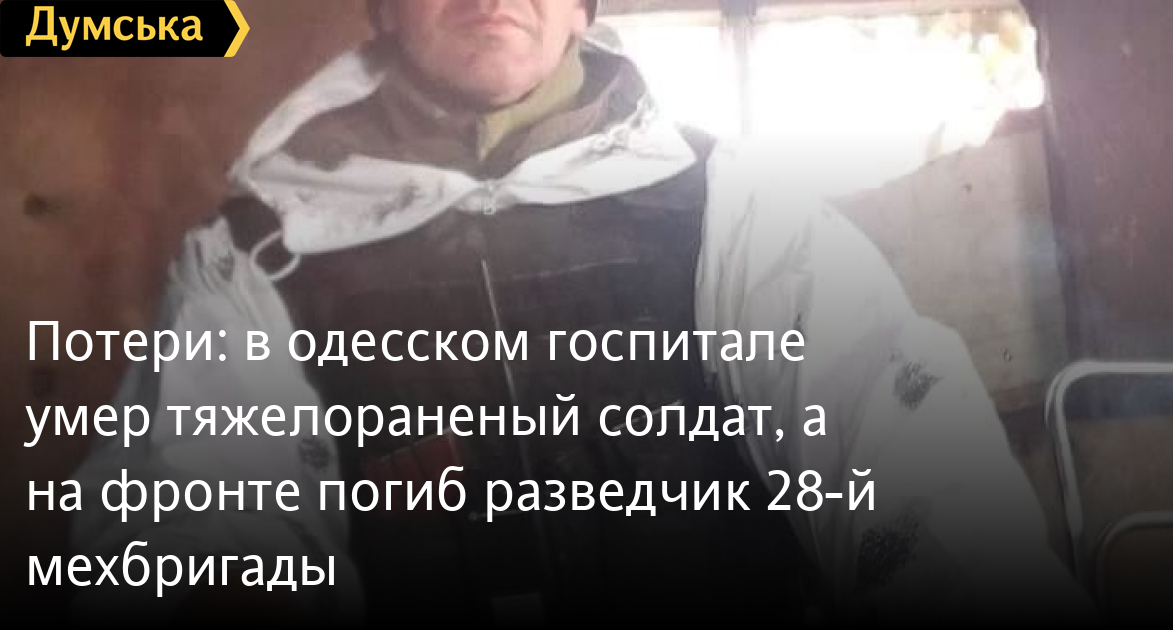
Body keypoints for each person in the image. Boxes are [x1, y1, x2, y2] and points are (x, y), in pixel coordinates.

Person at [71, 0, 1095, 625]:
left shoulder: (732, 212)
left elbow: (925, 508)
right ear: (379, 6)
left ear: (580, 7)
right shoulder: (257, 256)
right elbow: (195, 547)